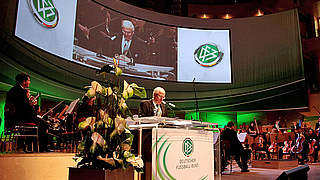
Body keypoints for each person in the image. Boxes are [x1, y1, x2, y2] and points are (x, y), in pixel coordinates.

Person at [5, 73, 51, 152]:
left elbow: (22, 105)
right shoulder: (21, 91)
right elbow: (24, 108)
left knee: (39, 124)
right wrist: (33, 107)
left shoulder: (13, 90)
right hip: (20, 118)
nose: (29, 82)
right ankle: (41, 147)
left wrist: (30, 102)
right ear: (24, 81)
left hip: (14, 118)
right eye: (29, 80)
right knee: (45, 124)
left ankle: (30, 146)